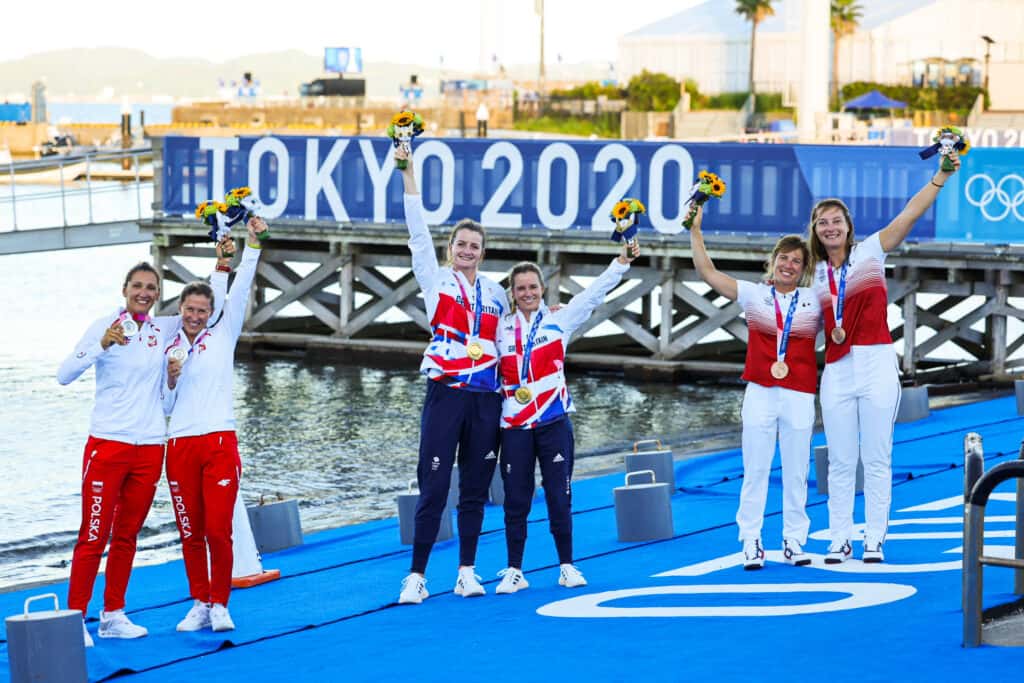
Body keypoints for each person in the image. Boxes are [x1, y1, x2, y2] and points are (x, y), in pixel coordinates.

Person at [57, 245, 228, 647]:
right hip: (108, 445)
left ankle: (113, 613)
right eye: (138, 286)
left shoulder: (163, 329)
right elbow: (65, 374)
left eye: (151, 287)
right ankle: (75, 617)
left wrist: (223, 260)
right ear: (125, 289)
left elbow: (203, 310)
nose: (144, 292)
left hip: (150, 448)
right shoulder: (105, 325)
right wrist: (101, 343)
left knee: (127, 535)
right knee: (93, 535)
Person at [809, 152, 961, 564]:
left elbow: (908, 215)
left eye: (836, 220)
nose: (830, 227)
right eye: (822, 222)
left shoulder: (871, 252)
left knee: (876, 457)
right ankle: (838, 538)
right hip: (837, 369)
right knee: (840, 461)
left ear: (848, 226)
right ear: (816, 231)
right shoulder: (814, 272)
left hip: (876, 362)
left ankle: (874, 538)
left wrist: (940, 177)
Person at [493, 240, 639, 594]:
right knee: (516, 498)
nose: (527, 293)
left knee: (560, 495)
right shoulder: (499, 328)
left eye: (533, 287)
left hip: (554, 422)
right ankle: (514, 569)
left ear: (542, 289)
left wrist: (620, 262)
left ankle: (567, 566)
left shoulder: (560, 318)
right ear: (512, 293)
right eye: (520, 288)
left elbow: (594, 294)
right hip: (514, 426)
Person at [395, 146, 507, 605]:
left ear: (483, 252)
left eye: (474, 246)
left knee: (475, 490)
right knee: (435, 486)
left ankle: (466, 571)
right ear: (451, 249)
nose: (467, 251)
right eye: (461, 244)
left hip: (486, 399)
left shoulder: (497, 293)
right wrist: (408, 171)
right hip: (445, 393)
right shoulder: (435, 281)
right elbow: (417, 232)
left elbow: (517, 333)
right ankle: (417, 576)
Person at [689, 205, 821, 569]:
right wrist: (696, 231)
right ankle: (751, 540)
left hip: (800, 393)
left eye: (797, 261)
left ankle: (794, 540)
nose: (789, 265)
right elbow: (707, 272)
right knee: (756, 468)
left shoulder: (814, 300)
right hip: (760, 392)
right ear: (773, 261)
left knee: (796, 471)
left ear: (804, 268)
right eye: (784, 258)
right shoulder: (752, 294)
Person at [163, 218, 266, 631]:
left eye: (202, 311)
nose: (194, 316)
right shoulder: (169, 347)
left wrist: (252, 245)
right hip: (179, 445)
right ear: (180, 310)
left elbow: (235, 291)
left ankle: (220, 603)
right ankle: (199, 602)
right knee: (190, 532)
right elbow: (165, 403)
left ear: (211, 314)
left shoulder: (223, 336)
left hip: (219, 442)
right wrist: (170, 377)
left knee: (218, 529)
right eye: (189, 309)